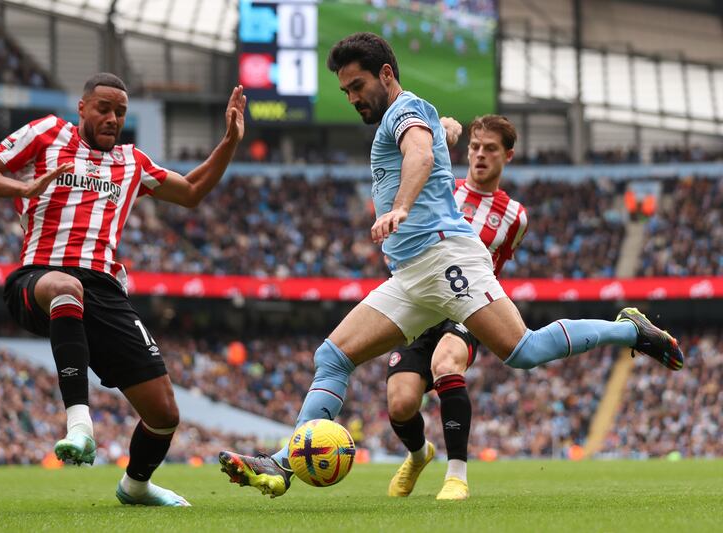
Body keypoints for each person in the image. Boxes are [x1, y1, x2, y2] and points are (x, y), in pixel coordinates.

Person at [218, 32, 682, 499]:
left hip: (445, 257)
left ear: (385, 75)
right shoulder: (408, 116)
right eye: (345, 91)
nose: (352, 98)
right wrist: (446, 132)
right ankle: (281, 465)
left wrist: (400, 206)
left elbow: (418, 155)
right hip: (412, 275)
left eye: (357, 86)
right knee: (332, 356)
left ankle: (630, 330)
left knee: (524, 351)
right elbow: (429, 144)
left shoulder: (403, 110)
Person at [0, 73, 246, 506]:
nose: (113, 118)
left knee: (164, 414)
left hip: (108, 293)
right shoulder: (47, 133)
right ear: (82, 108)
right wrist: (22, 186)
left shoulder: (133, 162)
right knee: (67, 286)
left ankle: (135, 486)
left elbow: (190, 191)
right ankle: (79, 424)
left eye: (121, 112)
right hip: (40, 277)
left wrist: (229, 142)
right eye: (104, 109)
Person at [385, 115, 527, 501]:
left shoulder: (514, 217)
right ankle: (418, 455)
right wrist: (437, 129)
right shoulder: (444, 189)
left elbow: (495, 266)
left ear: (507, 156)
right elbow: (416, 161)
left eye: (491, 149)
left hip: (466, 309)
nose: (480, 155)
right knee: (400, 404)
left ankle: (456, 476)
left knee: (446, 363)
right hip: (422, 304)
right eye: (475, 147)